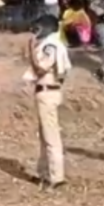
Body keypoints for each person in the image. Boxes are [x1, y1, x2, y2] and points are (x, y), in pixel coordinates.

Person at [23, 14, 71, 190]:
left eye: (38, 28)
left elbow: (40, 69)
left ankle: (56, 176)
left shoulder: (50, 46)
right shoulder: (55, 45)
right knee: (45, 135)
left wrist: (30, 50)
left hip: (46, 91)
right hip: (52, 90)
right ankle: (43, 172)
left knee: (50, 136)